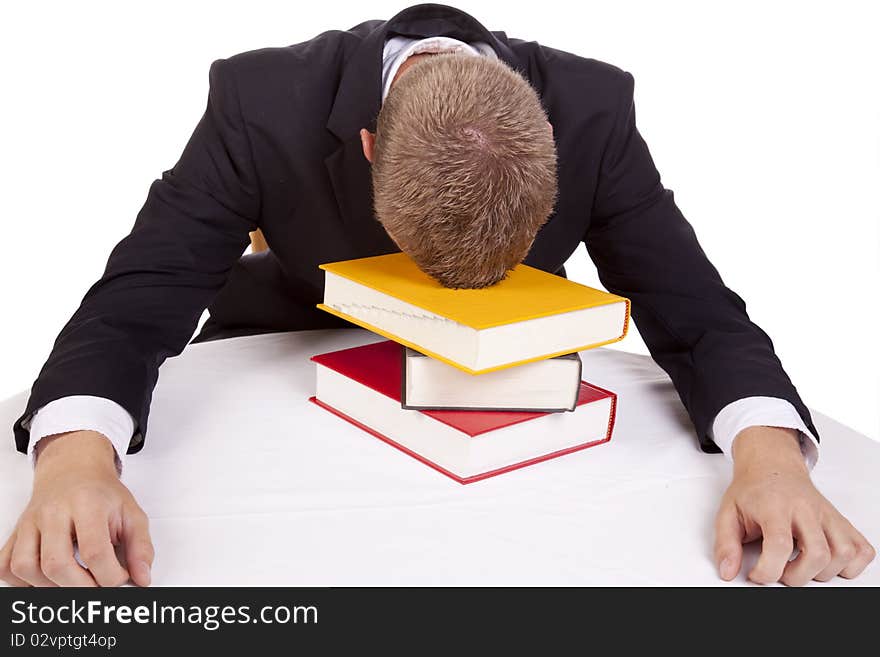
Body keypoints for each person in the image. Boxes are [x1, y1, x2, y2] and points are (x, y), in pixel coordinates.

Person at [0, 3, 873, 588]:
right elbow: (143, 286)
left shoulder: (595, 108)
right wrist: (75, 459)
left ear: (552, 144)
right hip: (286, 345)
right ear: (370, 148)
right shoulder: (258, 102)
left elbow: (694, 301)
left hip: (505, 394)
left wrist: (771, 458)